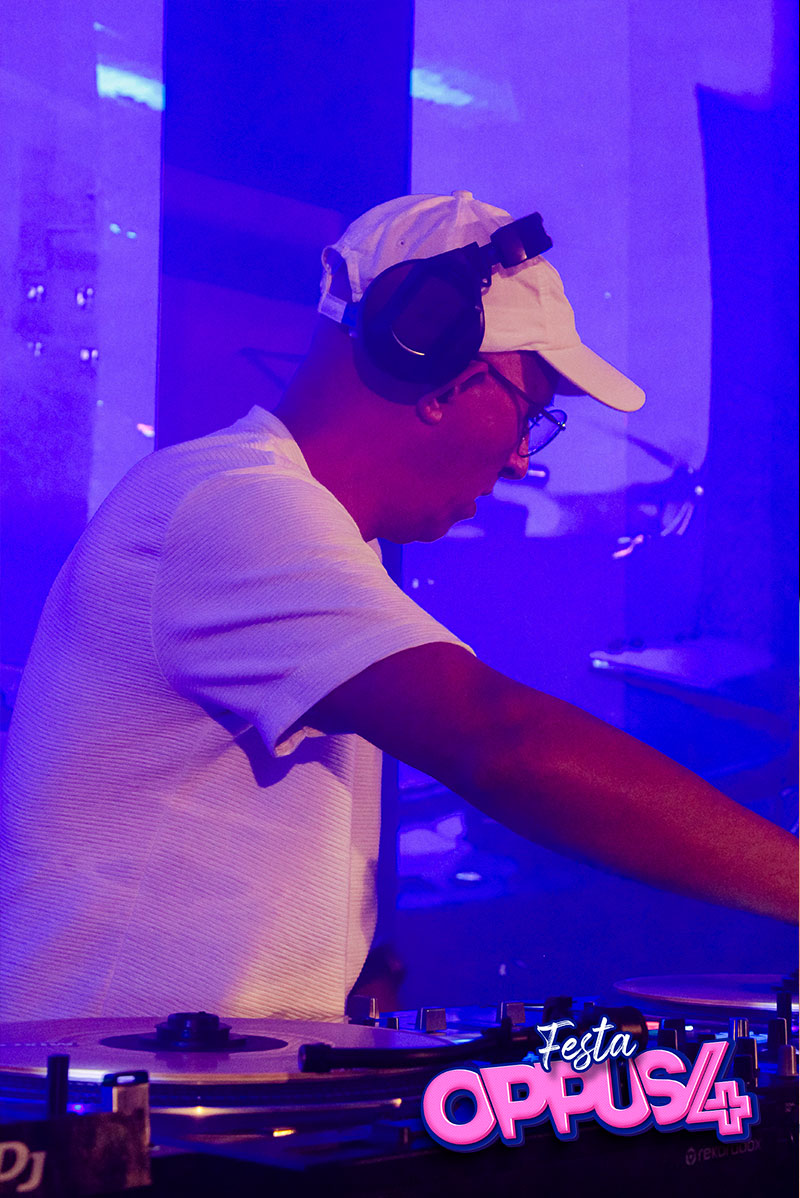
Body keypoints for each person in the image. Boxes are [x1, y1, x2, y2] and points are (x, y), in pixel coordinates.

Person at [0, 191, 795, 1024]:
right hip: (107, 1094)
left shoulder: (297, 523)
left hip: (192, 1086)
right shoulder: (232, 503)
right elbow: (502, 743)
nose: (523, 460)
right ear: (440, 373)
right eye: (529, 414)